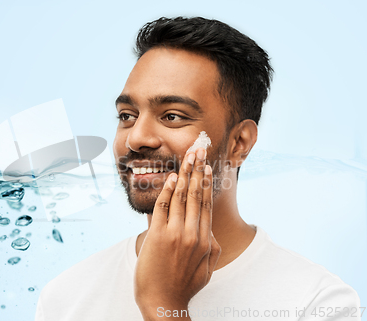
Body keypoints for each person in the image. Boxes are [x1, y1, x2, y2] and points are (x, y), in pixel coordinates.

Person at [34, 16, 361, 320]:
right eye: (127, 116)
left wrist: (163, 304)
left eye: (172, 116)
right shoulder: (65, 298)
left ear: (239, 143)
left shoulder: (317, 302)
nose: (136, 138)